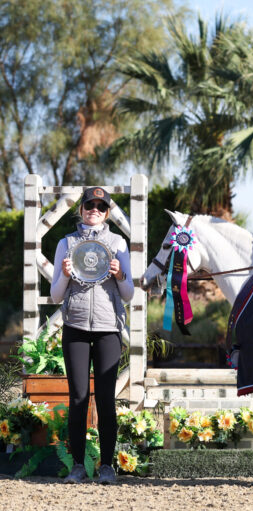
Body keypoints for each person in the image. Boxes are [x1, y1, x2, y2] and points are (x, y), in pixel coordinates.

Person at [50, 186, 134, 484]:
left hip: (107, 329)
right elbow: (56, 294)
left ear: (107, 212)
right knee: (78, 397)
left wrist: (120, 276)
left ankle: (107, 466)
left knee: (106, 398)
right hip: (74, 327)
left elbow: (128, 294)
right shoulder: (66, 243)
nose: (94, 209)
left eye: (100, 205)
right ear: (81, 209)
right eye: (89, 205)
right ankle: (77, 466)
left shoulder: (118, 243)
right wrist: (62, 274)